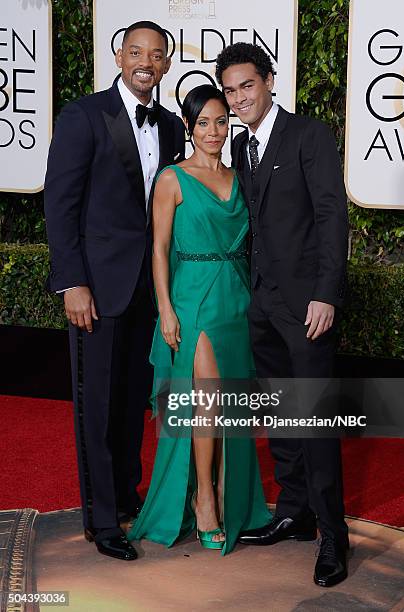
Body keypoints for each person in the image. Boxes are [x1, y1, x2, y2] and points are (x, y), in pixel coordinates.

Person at [44, 21, 185, 561]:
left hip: (150, 290)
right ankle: (101, 520)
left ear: (166, 64)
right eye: (136, 52)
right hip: (96, 290)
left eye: (155, 54)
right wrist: (72, 282)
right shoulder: (84, 115)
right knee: (96, 405)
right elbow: (61, 204)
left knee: (131, 404)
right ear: (119, 56)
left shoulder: (172, 127)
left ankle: (127, 499)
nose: (145, 61)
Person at [215, 43, 349, 586]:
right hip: (262, 307)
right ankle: (295, 512)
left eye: (247, 85)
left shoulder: (307, 135)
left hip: (306, 306)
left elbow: (330, 214)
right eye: (230, 90)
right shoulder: (239, 147)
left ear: (270, 81)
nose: (239, 98)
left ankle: (333, 538)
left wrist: (327, 293)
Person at [127, 84, 271, 554]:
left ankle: (229, 493)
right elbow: (159, 249)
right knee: (205, 400)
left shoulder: (241, 175)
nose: (214, 131)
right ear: (188, 127)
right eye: (203, 122)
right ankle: (204, 497)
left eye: (221, 121)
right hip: (192, 300)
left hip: (236, 300)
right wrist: (165, 308)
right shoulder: (172, 178)